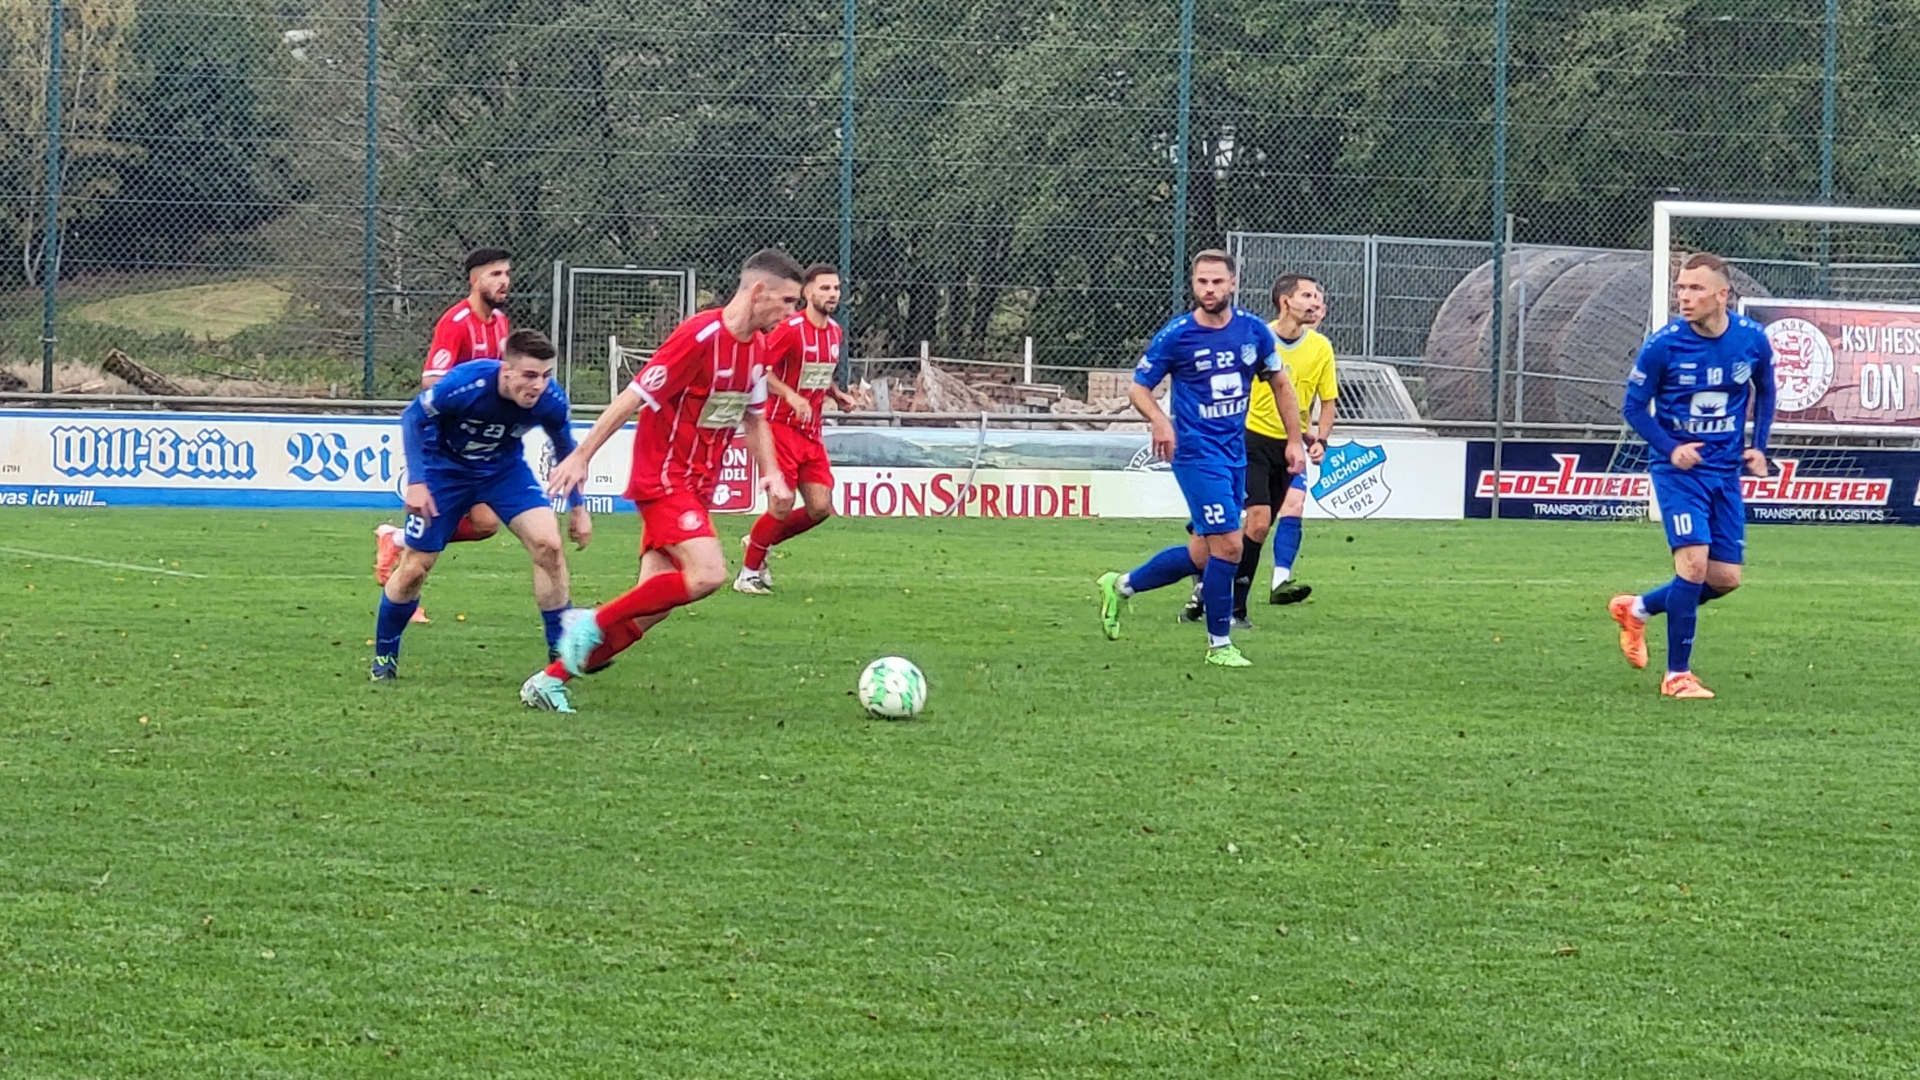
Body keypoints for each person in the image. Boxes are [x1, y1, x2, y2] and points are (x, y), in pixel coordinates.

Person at [521, 250, 803, 712]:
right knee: (709, 574)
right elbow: (631, 398)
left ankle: (549, 681)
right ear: (758, 292)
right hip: (665, 478)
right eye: (788, 301)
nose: (792, 312)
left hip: (697, 486)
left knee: (653, 607)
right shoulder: (699, 336)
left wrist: (771, 472)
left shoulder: (757, 349)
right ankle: (589, 621)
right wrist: (581, 456)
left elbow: (754, 418)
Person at [1094, 250, 1306, 668]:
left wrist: (1294, 441)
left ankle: (1120, 586)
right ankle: (1219, 644)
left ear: (1233, 284)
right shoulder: (1178, 335)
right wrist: (1160, 420)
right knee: (1230, 545)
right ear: (1193, 285)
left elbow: (1281, 384)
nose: (1209, 289)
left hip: (1235, 452)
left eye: (1217, 281)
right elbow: (1138, 387)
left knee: (1203, 554)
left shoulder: (1252, 332)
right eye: (1202, 282)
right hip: (1195, 453)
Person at [370, 329, 591, 681]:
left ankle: (559, 652)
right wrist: (417, 482)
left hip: (503, 472)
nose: (538, 385)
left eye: (546, 376)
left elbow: (567, 451)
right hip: (443, 471)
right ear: (507, 371)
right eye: (529, 375)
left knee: (548, 545)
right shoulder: (467, 383)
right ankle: (384, 655)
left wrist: (579, 508)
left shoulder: (550, 400)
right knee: (414, 570)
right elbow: (414, 416)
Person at [1608, 252, 1775, 699]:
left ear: (1722, 295)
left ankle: (1638, 609)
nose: (1684, 296)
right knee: (1694, 564)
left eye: (1695, 288)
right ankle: (1677, 676)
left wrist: (1758, 446)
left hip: (1725, 471)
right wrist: (1672, 448)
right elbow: (1632, 408)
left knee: (1724, 579)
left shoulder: (1751, 339)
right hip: (1678, 472)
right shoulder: (1663, 345)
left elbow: (1766, 390)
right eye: (1681, 287)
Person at [1180, 273, 1337, 624]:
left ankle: (1208, 587)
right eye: (1308, 295)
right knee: (1258, 521)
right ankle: (1235, 609)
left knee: (1256, 528)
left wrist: (1320, 439)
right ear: (1285, 301)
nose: (1315, 302)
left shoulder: (1321, 347)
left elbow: (1327, 401)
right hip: (1247, 439)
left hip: (1288, 446)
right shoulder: (1255, 337)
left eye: (1318, 297)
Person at [375, 248, 516, 623]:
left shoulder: (502, 323)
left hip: (476, 445)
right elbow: (431, 381)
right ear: (475, 279)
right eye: (495, 274)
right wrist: (473, 393)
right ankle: (406, 606)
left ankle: (395, 539)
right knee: (428, 546)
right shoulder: (455, 322)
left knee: (485, 524)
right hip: (443, 446)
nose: (504, 281)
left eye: (506, 273)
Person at [733, 262, 856, 594]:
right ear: (807, 292)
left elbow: (819, 373)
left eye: (836, 288)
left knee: (820, 507)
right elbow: (762, 368)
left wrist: (836, 394)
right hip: (780, 427)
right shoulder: (791, 329)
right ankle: (748, 575)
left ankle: (759, 541)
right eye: (825, 288)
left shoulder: (835, 332)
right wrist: (789, 395)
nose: (832, 294)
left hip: (811, 431)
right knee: (781, 504)